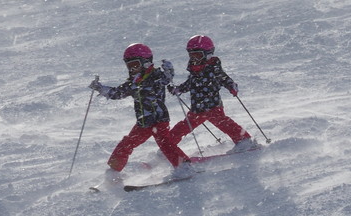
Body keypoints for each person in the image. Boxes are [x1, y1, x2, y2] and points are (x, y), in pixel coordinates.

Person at [89, 43, 191, 186]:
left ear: (146, 62)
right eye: (129, 66)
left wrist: (169, 71)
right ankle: (113, 173)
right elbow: (117, 93)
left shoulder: (156, 76)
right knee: (126, 143)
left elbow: (166, 79)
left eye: (135, 65)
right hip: (143, 123)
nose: (132, 69)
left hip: (158, 120)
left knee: (165, 144)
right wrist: (100, 88)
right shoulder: (133, 82)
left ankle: (184, 166)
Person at [168, 35, 256, 151]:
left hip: (213, 106)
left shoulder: (213, 68)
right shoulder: (194, 70)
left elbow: (224, 78)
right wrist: (178, 89)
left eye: (198, 55)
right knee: (183, 127)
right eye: (192, 55)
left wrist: (231, 86)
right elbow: (190, 83)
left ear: (208, 54)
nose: (195, 59)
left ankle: (244, 141)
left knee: (225, 124)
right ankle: (168, 147)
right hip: (197, 109)